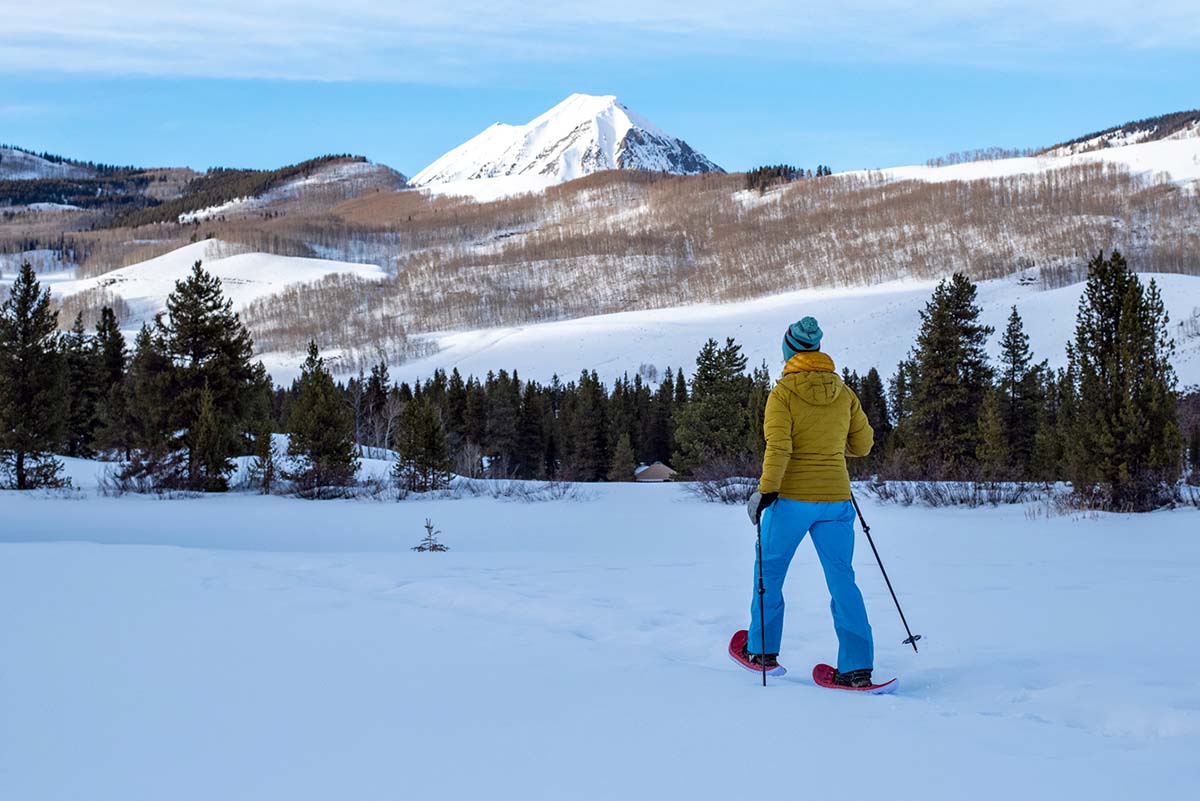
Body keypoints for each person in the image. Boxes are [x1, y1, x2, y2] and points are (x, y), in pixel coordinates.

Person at [734, 316, 876, 687]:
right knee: (843, 579)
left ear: (789, 351)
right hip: (837, 499)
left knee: (769, 572)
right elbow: (862, 445)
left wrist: (765, 491)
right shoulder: (844, 393)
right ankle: (857, 668)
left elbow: (779, 447)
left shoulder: (782, 394)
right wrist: (830, 443)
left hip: (793, 499)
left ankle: (761, 650)